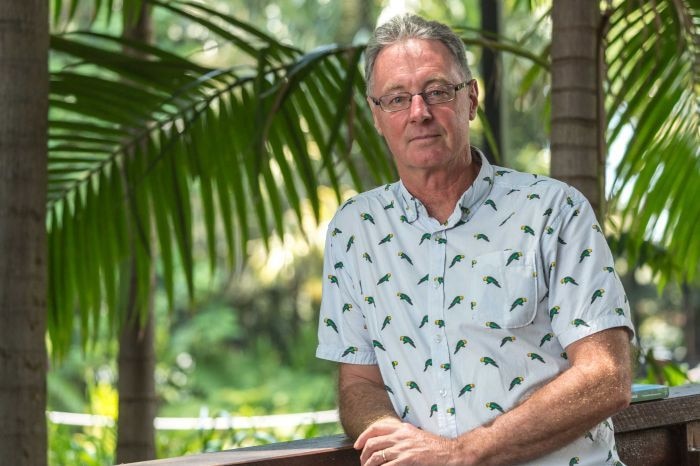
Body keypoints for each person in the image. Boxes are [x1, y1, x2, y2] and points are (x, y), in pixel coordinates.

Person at [316, 13, 635, 466]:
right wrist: (392, 439)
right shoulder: (354, 230)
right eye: (397, 98)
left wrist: (464, 453)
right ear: (376, 115)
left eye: (437, 91)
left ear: (471, 99)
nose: (418, 112)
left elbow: (607, 375)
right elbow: (359, 383)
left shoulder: (552, 210)